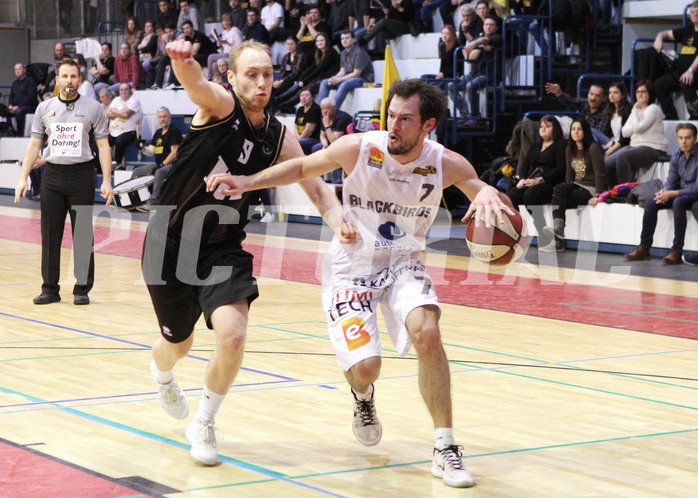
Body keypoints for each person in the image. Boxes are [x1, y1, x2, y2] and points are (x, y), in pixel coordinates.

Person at [205, 78, 515, 489]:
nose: (394, 125)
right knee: (367, 369)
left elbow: (482, 193)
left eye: (406, 119)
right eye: (391, 115)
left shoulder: (445, 162)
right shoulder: (361, 148)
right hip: (353, 266)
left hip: (404, 262)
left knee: (429, 331)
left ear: (428, 125)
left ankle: (445, 446)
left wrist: (493, 194)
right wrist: (246, 182)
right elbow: (301, 167)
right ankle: (362, 396)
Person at [142, 39, 344, 467]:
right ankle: (161, 373)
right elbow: (196, 85)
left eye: (268, 73)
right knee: (177, 345)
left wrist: (340, 222)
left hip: (223, 246)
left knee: (233, 334)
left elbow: (315, 185)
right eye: (251, 74)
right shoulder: (220, 107)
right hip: (170, 241)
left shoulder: (279, 134)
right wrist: (183, 62)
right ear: (231, 79)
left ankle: (204, 421)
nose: (262, 82)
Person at [14, 59, 113, 306]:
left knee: (82, 234)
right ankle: (50, 288)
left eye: (73, 76)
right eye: (64, 76)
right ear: (56, 80)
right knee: (50, 234)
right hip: (52, 176)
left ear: (79, 79)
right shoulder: (44, 108)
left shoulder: (94, 108)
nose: (69, 81)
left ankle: (82, 288)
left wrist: (108, 180)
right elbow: (34, 145)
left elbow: (103, 146)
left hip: (81, 175)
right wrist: (22, 178)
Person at [624, 123, 698, 264]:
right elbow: (671, 180)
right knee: (652, 200)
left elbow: (696, 188)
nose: (684, 141)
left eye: (687, 138)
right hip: (679, 192)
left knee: (678, 202)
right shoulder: (677, 155)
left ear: (695, 139)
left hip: (693, 194)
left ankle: (676, 250)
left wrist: (671, 193)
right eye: (680, 138)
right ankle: (644, 247)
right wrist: (664, 192)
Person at [539, 118, 606, 253]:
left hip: (591, 187)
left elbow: (600, 174)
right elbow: (569, 176)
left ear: (585, 131)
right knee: (558, 189)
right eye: (573, 129)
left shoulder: (593, 148)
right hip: (577, 184)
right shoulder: (569, 149)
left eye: (579, 129)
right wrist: (563, 193)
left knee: (561, 200)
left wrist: (599, 196)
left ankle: (557, 240)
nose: (575, 132)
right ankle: (558, 231)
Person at [505, 114, 567, 248]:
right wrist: (521, 179)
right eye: (541, 126)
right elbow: (525, 165)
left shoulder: (561, 144)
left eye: (547, 126)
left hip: (550, 182)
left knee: (530, 195)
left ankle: (543, 232)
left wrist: (540, 180)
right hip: (531, 181)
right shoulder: (536, 145)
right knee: (511, 195)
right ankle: (516, 231)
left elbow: (561, 168)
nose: (543, 129)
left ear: (555, 128)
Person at [637, 1, 698, 120]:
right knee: (659, 84)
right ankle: (671, 116)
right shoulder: (688, 30)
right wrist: (659, 38)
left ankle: (695, 115)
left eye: (697, 12)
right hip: (681, 72)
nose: (695, 14)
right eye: (692, 12)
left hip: (694, 72)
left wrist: (691, 70)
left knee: (686, 81)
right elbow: (664, 33)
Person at [604, 80, 668, 189]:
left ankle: (624, 192)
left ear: (650, 93)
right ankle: (614, 191)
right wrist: (637, 118)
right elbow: (625, 132)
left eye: (643, 92)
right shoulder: (637, 110)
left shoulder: (653, 109)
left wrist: (635, 114)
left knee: (623, 157)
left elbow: (638, 129)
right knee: (607, 162)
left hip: (653, 147)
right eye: (638, 92)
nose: (640, 94)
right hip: (635, 145)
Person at [131, 107, 183, 211]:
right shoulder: (158, 133)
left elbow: (175, 152)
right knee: (137, 171)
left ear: (170, 118)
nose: (162, 119)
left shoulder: (174, 131)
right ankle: (134, 200)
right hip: (159, 164)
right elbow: (151, 152)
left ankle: (154, 202)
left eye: (164, 116)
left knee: (159, 172)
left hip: (172, 165)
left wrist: (162, 165)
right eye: (160, 117)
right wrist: (142, 147)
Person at [276, 32, 340, 113]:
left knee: (307, 88)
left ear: (326, 41)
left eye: (322, 40)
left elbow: (319, 69)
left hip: (330, 77)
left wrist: (304, 81)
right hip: (322, 76)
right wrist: (302, 79)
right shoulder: (319, 53)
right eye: (317, 41)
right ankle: (282, 103)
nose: (319, 43)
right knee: (299, 84)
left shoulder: (331, 52)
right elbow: (312, 68)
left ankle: (283, 105)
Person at [456, 16, 502, 125]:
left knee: (470, 86)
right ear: (483, 26)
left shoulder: (498, 37)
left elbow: (485, 40)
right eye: (486, 25)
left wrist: (474, 44)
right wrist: (473, 51)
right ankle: (465, 114)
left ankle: (475, 116)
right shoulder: (478, 38)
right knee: (452, 86)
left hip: (490, 75)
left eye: (491, 25)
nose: (489, 27)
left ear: (496, 28)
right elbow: (470, 59)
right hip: (474, 74)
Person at [317, 31, 374, 111]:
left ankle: (332, 110)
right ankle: (319, 110)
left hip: (363, 79)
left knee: (344, 84)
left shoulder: (359, 52)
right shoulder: (343, 53)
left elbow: (356, 73)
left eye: (347, 38)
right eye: (342, 39)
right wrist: (334, 78)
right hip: (349, 78)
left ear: (353, 40)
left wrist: (339, 80)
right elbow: (342, 71)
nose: (344, 40)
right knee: (325, 82)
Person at [544, 81, 612, 145]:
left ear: (604, 98)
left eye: (597, 96)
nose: (593, 98)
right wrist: (558, 93)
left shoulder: (606, 111)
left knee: (589, 131)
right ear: (588, 94)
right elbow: (570, 101)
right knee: (554, 121)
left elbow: (599, 134)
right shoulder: (585, 103)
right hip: (580, 134)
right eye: (591, 94)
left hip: (596, 142)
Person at [106, 82, 143, 167]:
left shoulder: (134, 101)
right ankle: (104, 163)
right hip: (114, 131)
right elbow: (108, 114)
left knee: (120, 141)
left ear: (130, 91)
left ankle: (117, 162)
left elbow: (126, 115)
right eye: (122, 90)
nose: (124, 91)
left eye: (126, 89)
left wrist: (115, 111)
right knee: (103, 141)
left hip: (131, 131)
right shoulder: (116, 100)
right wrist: (120, 112)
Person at [270, 36, 306, 109]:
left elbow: (296, 72)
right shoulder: (285, 57)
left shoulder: (301, 56)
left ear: (296, 44)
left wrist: (282, 81)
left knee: (277, 94)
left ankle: (278, 109)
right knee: (271, 90)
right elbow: (282, 71)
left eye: (292, 44)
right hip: (284, 80)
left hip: (295, 80)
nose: (289, 46)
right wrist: (278, 81)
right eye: (288, 44)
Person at [207, 13, 243, 79]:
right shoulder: (224, 32)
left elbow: (239, 47)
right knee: (214, 65)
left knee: (211, 57)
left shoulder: (235, 30)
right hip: (225, 55)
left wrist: (227, 43)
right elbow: (223, 50)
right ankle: (219, 81)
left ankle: (208, 77)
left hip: (233, 55)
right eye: (224, 21)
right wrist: (220, 46)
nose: (225, 23)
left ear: (231, 22)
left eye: (228, 21)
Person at [604, 81, 632, 159]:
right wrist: (612, 139)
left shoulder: (628, 109)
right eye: (610, 93)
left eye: (615, 93)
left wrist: (609, 151)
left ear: (622, 95)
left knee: (606, 162)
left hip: (625, 145)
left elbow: (625, 139)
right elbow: (611, 132)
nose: (612, 95)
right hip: (614, 142)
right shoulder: (611, 109)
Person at [8, 63, 38, 137]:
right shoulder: (14, 83)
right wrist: (10, 105)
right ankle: (11, 131)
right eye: (16, 70)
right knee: (5, 111)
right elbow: (11, 96)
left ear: (24, 70)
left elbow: (31, 97)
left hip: (30, 106)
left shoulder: (30, 81)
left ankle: (20, 134)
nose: (17, 71)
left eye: (19, 69)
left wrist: (18, 107)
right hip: (17, 107)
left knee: (19, 112)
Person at [294, 87, 321, 154]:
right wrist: (297, 138)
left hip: (313, 139)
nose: (304, 97)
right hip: (301, 137)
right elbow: (295, 127)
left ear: (312, 98)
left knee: (298, 143)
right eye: (302, 95)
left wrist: (297, 141)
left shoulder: (315, 109)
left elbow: (308, 131)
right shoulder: (300, 109)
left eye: (306, 95)